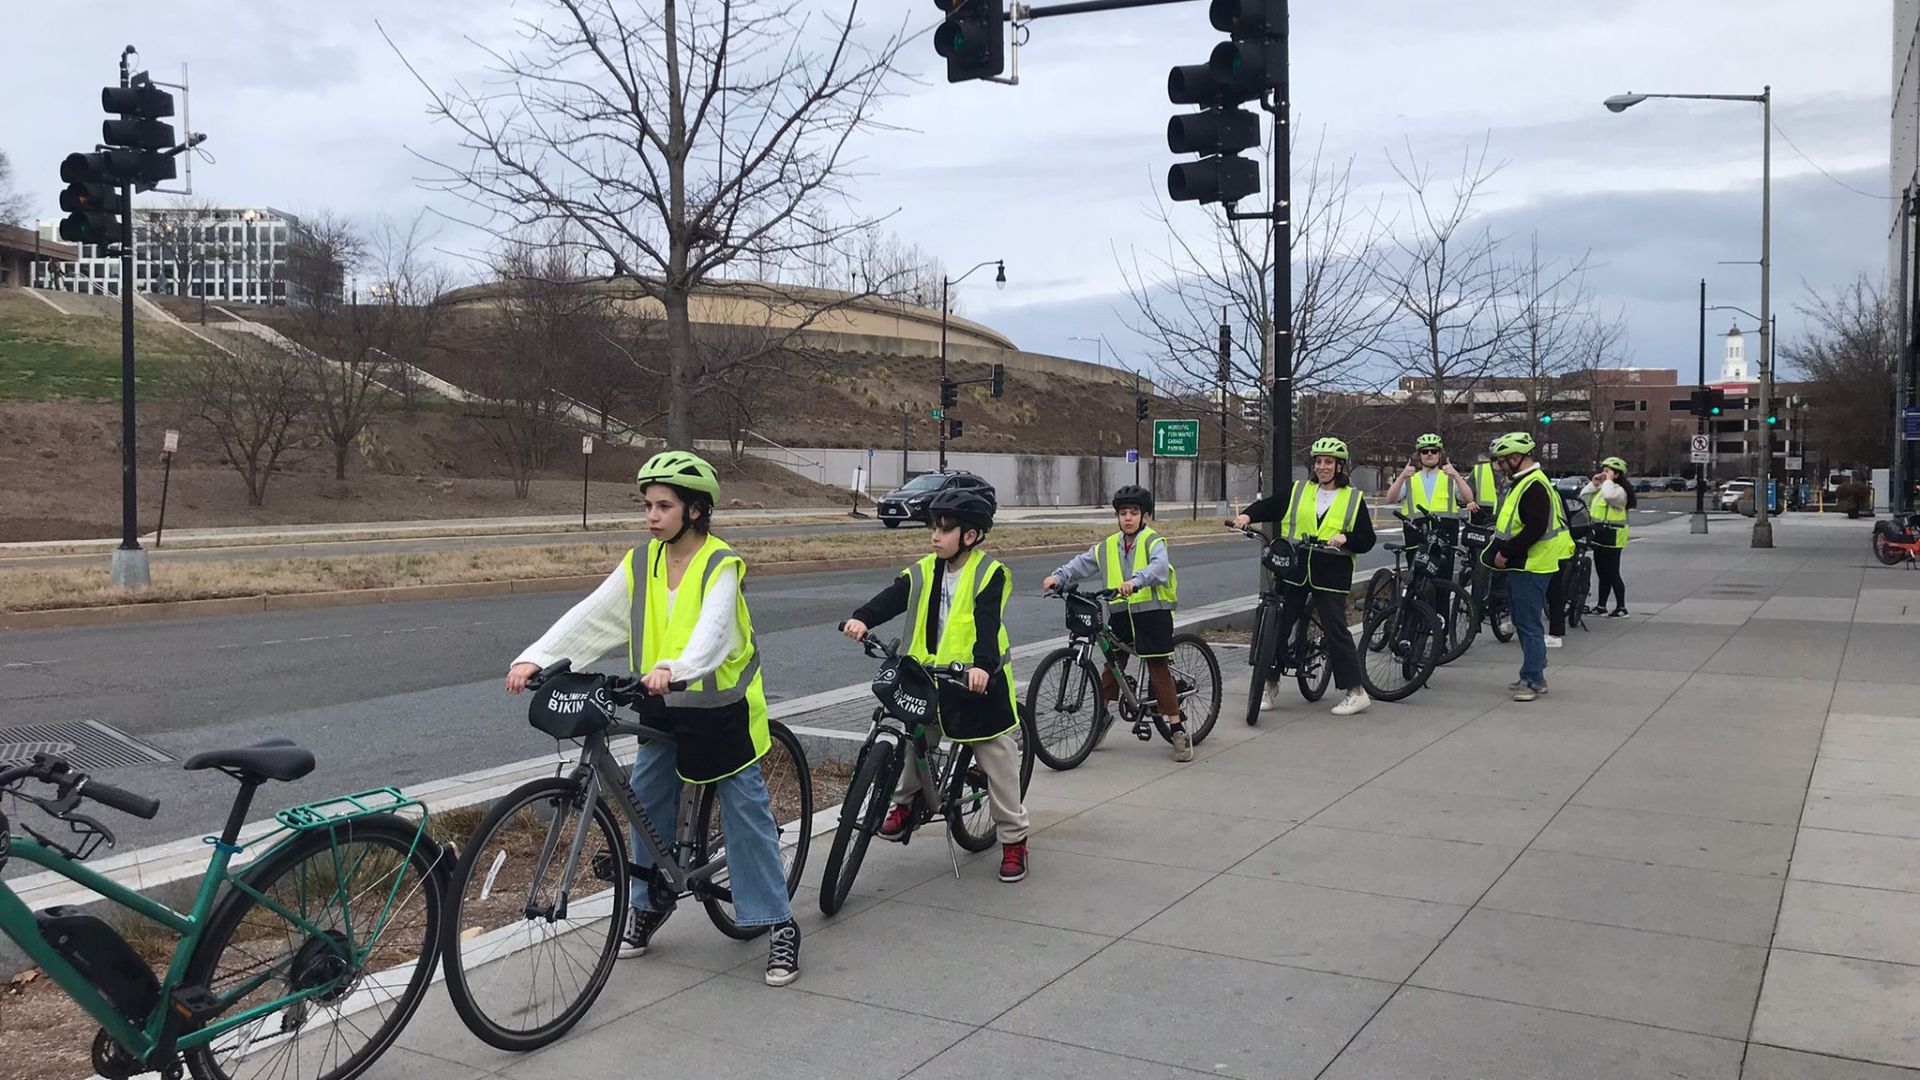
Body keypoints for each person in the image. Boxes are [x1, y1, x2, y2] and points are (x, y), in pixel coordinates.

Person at [506, 451, 801, 986]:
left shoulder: (721, 564)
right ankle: (647, 903)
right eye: (647, 505)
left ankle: (778, 923)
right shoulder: (643, 562)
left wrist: (677, 667)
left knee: (745, 811)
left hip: (718, 708)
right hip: (661, 702)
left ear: (694, 510)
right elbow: (595, 614)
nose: (651, 515)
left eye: (664, 505)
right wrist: (537, 657)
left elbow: (715, 631)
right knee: (645, 792)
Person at [842, 483, 1032, 883]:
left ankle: (1014, 840)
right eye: (933, 527)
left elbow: (985, 622)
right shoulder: (925, 569)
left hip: (978, 683)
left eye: (944, 529)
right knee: (916, 738)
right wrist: (862, 617)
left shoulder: (988, 573)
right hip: (928, 678)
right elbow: (893, 597)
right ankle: (906, 805)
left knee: (998, 759)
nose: (934, 536)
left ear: (971, 535)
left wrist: (982, 666)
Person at [1231, 436, 1376, 717]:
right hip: (1296, 568)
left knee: (1336, 629)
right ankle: (1269, 684)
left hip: (1330, 573)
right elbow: (1271, 506)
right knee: (1279, 626)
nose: (1322, 466)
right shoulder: (1299, 490)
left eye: (1328, 462)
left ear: (1339, 466)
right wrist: (1247, 516)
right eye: (1319, 461)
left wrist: (1345, 537)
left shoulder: (1352, 498)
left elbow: (1366, 539)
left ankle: (1356, 692)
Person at [1044, 485, 1188, 762]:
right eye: (1123, 513)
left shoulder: (1152, 541)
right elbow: (1082, 563)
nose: (1128, 518)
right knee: (1112, 667)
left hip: (1152, 614)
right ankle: (1102, 717)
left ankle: (1177, 727)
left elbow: (1159, 568)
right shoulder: (1109, 545)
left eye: (1134, 513)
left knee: (1158, 669)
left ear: (1145, 517)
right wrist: (1058, 577)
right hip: (1121, 615)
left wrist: (1136, 581)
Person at [1480, 432, 1573, 702]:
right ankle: (1531, 674)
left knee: (1528, 622)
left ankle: (1532, 680)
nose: (1499, 467)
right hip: (1528, 562)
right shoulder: (1525, 482)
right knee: (1524, 620)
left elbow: (1534, 528)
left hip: (1531, 563)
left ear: (1516, 457)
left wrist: (1506, 554)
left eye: (1501, 461)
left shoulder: (1533, 485)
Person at [1383, 433, 1477, 545]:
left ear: (1439, 455)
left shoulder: (1450, 478)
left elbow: (1468, 498)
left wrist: (1456, 475)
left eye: (1433, 451)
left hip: (1445, 532)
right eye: (1424, 451)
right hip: (1416, 532)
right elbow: (1390, 499)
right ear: (1419, 455)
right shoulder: (1410, 479)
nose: (1429, 454)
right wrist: (1402, 476)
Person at [1582, 456, 1634, 617]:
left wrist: (1608, 482)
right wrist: (1593, 484)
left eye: (1608, 471)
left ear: (1617, 475)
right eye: (1603, 471)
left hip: (1613, 534)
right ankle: (1601, 605)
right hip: (1599, 533)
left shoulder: (1619, 491)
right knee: (1602, 572)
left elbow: (1611, 497)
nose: (1604, 474)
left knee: (1612, 572)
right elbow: (1583, 498)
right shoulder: (1602, 489)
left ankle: (1621, 607)